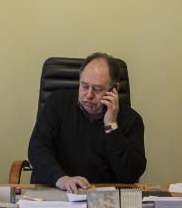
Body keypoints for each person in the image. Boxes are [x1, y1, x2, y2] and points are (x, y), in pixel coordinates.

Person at [28, 53, 146, 193]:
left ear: (114, 89)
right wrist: (62, 179)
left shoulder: (131, 120)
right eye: (84, 86)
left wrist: (111, 125)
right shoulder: (57, 103)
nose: (89, 95)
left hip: (105, 200)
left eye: (97, 89)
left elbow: (131, 174)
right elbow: (37, 149)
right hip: (57, 191)